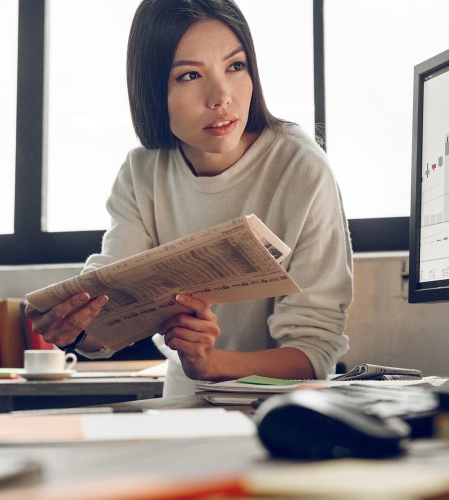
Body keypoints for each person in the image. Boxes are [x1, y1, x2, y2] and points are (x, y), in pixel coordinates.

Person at [24, 0, 353, 397]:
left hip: (282, 408)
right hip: (184, 403)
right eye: (190, 75)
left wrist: (214, 364)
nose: (221, 97)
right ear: (152, 89)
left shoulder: (301, 167)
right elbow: (111, 318)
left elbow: (315, 353)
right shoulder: (142, 171)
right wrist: (74, 330)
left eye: (236, 66)